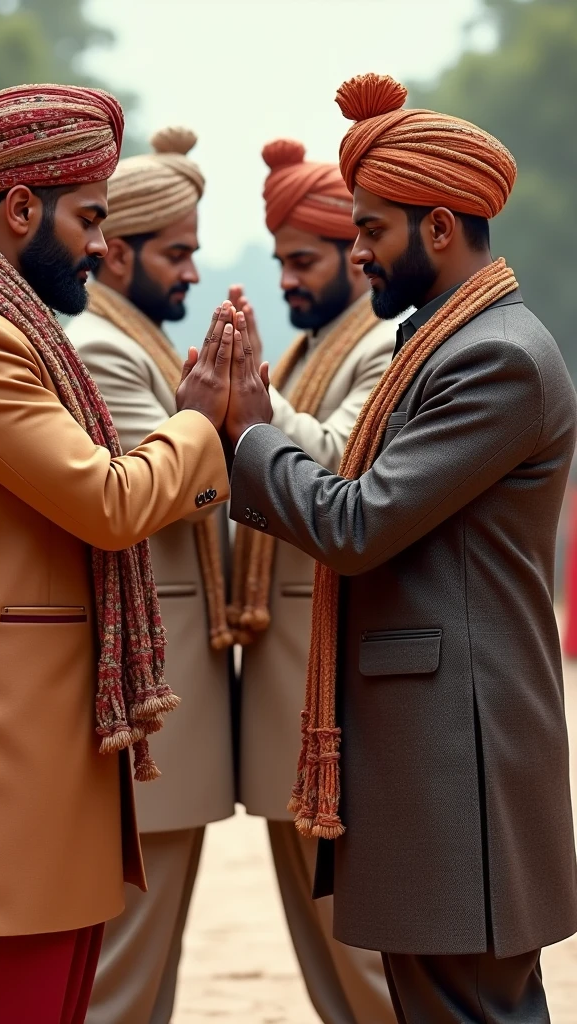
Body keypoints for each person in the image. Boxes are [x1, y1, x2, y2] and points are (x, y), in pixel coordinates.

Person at [223, 73, 577, 1023]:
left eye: (372, 231)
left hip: (460, 756)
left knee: (470, 1010)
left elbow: (358, 522)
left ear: (437, 229)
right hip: (438, 753)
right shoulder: (448, 343)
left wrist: (251, 436)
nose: (361, 253)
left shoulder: (494, 356)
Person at [0, 84, 244, 1024]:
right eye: (88, 219)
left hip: (38, 749)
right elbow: (109, 500)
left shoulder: (14, 331)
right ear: (20, 209)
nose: (97, 244)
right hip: (5, 752)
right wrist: (199, 425)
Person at [66, 127, 235, 1024]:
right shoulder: (102, 347)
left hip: (177, 705)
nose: (193, 274)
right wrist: (218, 423)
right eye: (178, 253)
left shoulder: (140, 345)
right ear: (118, 252)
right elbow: (165, 490)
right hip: (150, 703)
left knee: (144, 974)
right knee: (123, 979)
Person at [226, 139, 396, 1024]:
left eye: (306, 259)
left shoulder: (380, 348)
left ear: (354, 258)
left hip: (330, 695)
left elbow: (337, 467)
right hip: (284, 693)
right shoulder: (307, 352)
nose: (290, 278)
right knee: (321, 960)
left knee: (360, 954)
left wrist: (251, 398)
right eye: (282, 260)